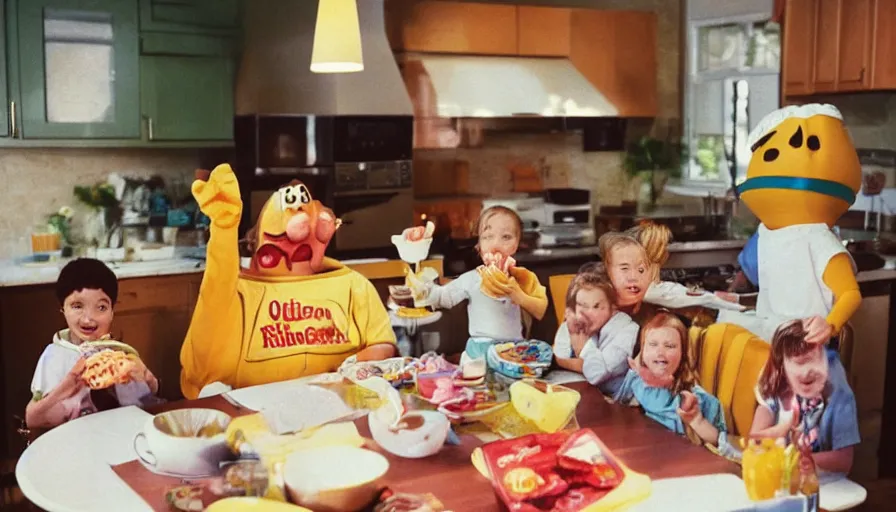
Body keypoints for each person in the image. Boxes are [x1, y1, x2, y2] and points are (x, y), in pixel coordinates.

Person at [180, 165, 397, 399]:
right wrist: (224, 228)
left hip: (338, 407)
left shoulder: (354, 286)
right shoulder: (238, 292)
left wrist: (352, 367)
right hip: (251, 414)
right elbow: (202, 369)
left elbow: (384, 347)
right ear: (256, 244)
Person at [25, 258, 159, 429]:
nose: (88, 318)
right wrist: (67, 387)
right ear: (62, 308)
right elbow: (33, 420)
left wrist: (148, 378)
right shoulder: (53, 357)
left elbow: (148, 403)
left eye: (101, 307)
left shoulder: (121, 354)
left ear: (112, 312)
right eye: (77, 306)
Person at [419, 206, 548, 361]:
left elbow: (540, 310)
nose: (496, 244)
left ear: (516, 245)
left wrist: (518, 295)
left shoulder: (522, 278)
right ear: (479, 247)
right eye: (487, 237)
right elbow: (442, 297)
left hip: (513, 351)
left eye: (506, 237)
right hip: (479, 351)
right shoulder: (472, 279)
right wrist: (421, 285)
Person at [750, 320, 859, 475]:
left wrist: (796, 461)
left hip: (824, 484)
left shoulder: (839, 393)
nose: (807, 372)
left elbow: (844, 460)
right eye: (798, 363)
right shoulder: (775, 385)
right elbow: (755, 442)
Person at [613, 312, 732, 452]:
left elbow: (719, 444)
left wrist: (696, 420)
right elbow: (617, 409)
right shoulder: (636, 381)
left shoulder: (697, 399)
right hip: (640, 450)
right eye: (652, 344)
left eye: (669, 346)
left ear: (683, 354)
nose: (660, 352)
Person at [553, 269, 638, 395]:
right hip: (579, 393)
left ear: (612, 307)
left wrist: (582, 348)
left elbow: (597, 374)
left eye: (596, 306)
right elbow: (559, 357)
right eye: (583, 306)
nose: (589, 314)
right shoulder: (573, 323)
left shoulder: (627, 329)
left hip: (620, 401)